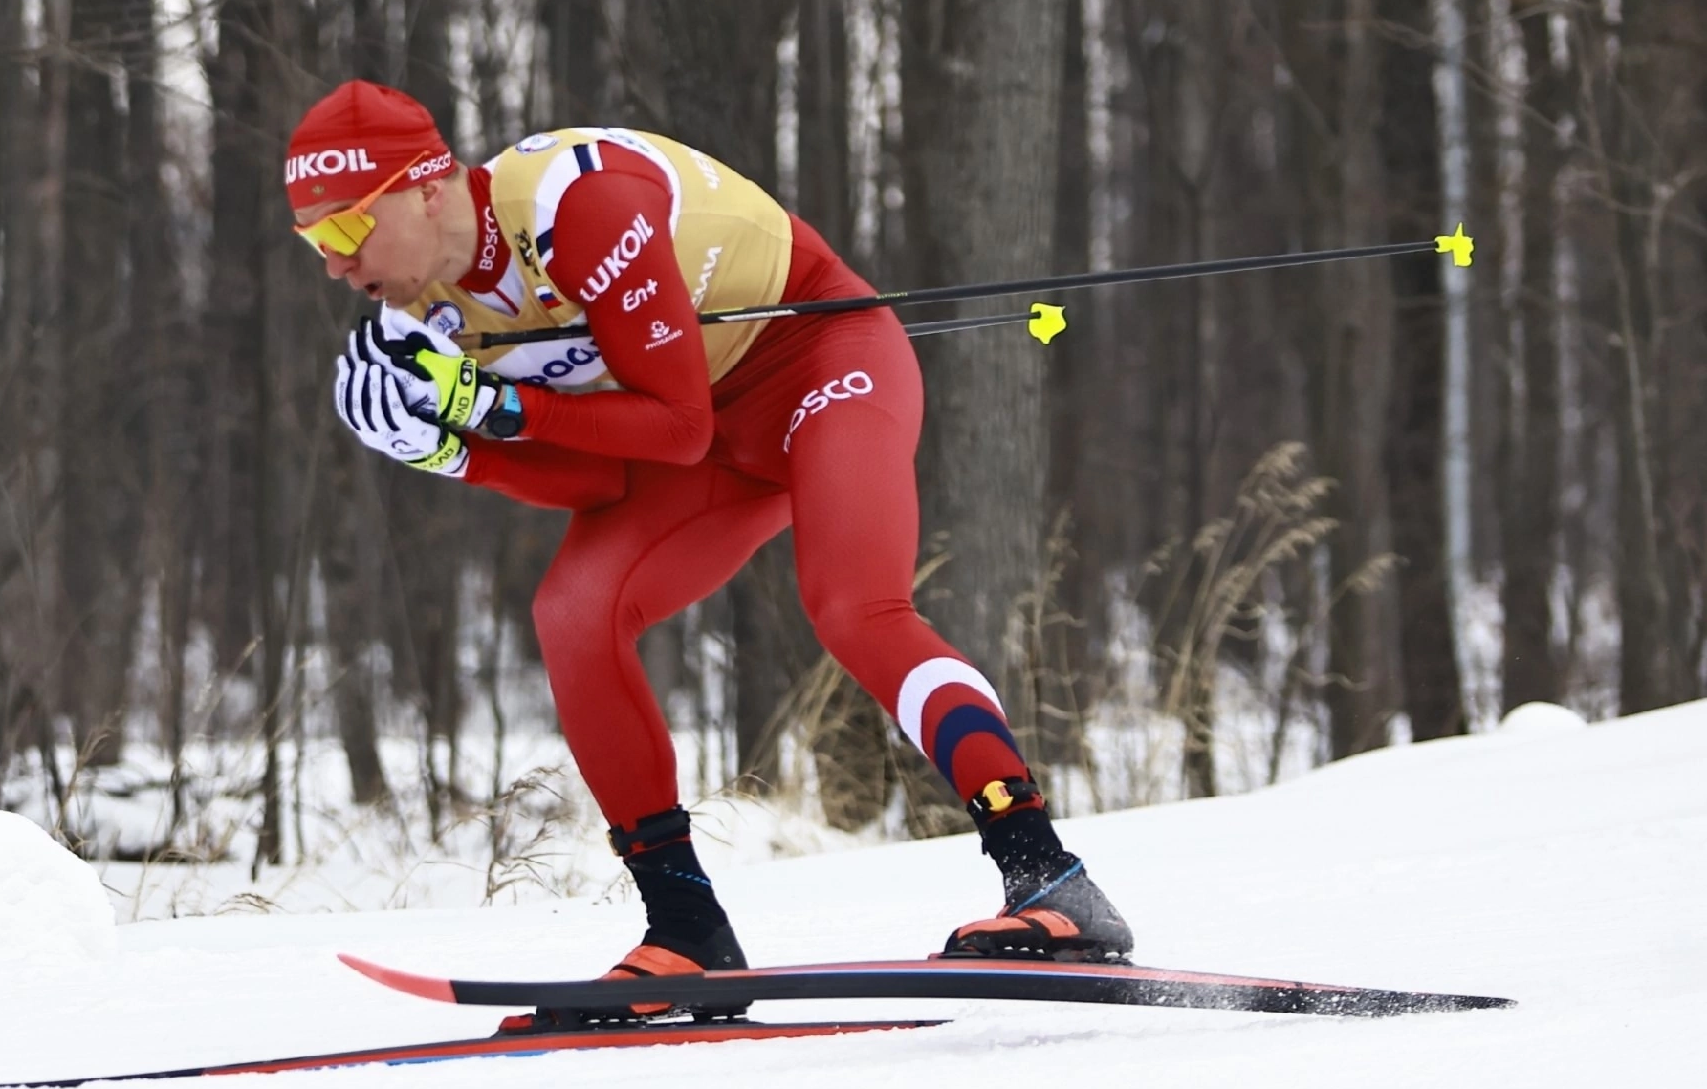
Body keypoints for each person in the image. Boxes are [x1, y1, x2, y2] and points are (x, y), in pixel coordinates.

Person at [288, 80, 1132, 1023]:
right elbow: (603, 482)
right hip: (697, 435)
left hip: (818, 361)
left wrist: (492, 409)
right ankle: (686, 927)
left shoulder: (577, 207)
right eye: (313, 243)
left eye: (346, 232)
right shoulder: (417, 326)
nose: (333, 265)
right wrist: (457, 454)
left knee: (855, 605)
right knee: (574, 614)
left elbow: (678, 426)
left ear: (430, 186)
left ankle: (1049, 878)